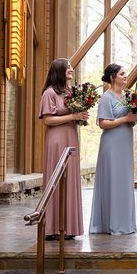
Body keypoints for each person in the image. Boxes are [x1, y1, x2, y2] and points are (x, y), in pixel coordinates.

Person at [38, 58, 88, 241]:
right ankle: (52, 228)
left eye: (71, 67)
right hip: (57, 140)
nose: (71, 69)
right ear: (58, 70)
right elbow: (48, 120)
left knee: (71, 180)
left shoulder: (71, 92)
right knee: (56, 179)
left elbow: (72, 115)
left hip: (71, 137)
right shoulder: (49, 93)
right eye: (67, 67)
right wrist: (73, 115)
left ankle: (68, 228)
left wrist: (81, 116)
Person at [89, 64, 137, 235]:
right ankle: (111, 223)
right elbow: (103, 123)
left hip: (125, 143)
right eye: (122, 74)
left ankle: (126, 223)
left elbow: (130, 119)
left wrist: (133, 119)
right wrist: (126, 118)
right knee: (113, 180)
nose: (125, 76)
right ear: (112, 77)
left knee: (124, 181)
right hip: (111, 144)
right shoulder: (106, 97)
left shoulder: (127, 96)